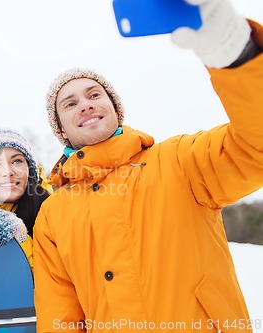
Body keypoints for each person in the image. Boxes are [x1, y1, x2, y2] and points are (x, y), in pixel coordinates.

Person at [32, 0, 263, 331]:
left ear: (115, 109)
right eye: (70, 103)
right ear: (61, 129)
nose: (85, 105)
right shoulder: (52, 216)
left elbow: (256, 147)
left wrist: (236, 54)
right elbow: (60, 318)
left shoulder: (180, 161)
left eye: (94, 94)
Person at [0, 128, 52, 265]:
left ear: (30, 169)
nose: (8, 172)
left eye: (16, 161)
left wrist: (20, 242)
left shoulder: (54, 214)